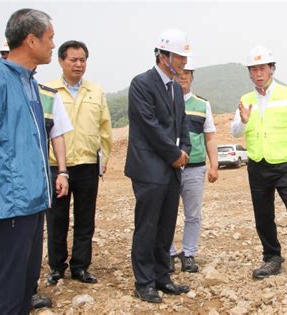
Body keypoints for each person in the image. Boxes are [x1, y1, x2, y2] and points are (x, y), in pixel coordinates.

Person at [0, 8, 67, 314]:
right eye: (50, 38)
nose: (53, 45)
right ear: (31, 40)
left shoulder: (29, 83)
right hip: (7, 208)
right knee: (5, 295)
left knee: (24, 292)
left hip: (33, 204)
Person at [231, 46, 287, 286]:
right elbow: (235, 132)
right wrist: (242, 121)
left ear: (272, 69)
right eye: (254, 69)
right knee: (263, 215)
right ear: (249, 73)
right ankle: (272, 258)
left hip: (284, 166)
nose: (259, 73)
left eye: (263, 68)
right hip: (257, 165)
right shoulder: (245, 100)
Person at [125, 28, 192, 303]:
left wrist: (184, 151)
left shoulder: (176, 88)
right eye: (179, 57)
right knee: (148, 226)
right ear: (163, 55)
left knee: (166, 226)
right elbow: (149, 126)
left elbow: (183, 125)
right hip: (149, 168)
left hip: (172, 168)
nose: (183, 63)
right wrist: (174, 153)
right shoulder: (141, 84)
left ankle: (163, 277)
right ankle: (144, 281)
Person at [45, 40, 112, 285]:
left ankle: (80, 266)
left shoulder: (95, 91)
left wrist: (103, 159)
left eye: (82, 59)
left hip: (87, 163)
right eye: (73, 59)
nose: (78, 64)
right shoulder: (48, 90)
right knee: (56, 219)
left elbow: (105, 128)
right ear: (61, 61)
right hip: (56, 165)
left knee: (85, 218)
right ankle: (56, 267)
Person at [170, 57, 219, 273]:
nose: (182, 76)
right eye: (179, 71)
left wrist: (214, 165)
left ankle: (188, 253)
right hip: (168, 168)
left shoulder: (202, 104)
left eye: (187, 73)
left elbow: (210, 137)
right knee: (167, 213)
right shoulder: (165, 101)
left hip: (195, 168)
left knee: (193, 215)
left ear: (191, 77)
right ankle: (168, 254)